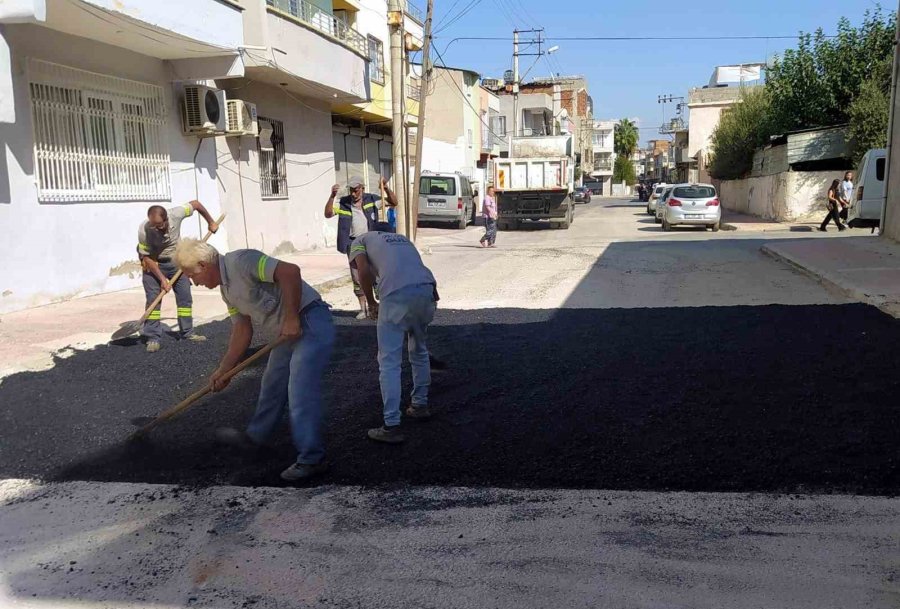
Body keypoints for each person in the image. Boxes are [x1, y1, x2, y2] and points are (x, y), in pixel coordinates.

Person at [173, 238, 336, 482]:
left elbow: (290, 272)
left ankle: (312, 458)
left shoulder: (241, 261)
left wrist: (292, 317)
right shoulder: (227, 292)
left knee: (299, 390)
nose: (192, 281)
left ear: (203, 265)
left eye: (190, 275)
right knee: (272, 384)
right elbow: (242, 329)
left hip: (309, 320)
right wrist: (225, 370)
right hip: (285, 333)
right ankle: (255, 439)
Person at [349, 223, 438, 444]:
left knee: (388, 361)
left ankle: (391, 425)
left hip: (397, 293)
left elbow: (363, 270)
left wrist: (371, 303)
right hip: (427, 289)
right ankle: (420, 404)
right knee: (419, 350)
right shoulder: (403, 240)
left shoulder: (359, 241)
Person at [137, 202, 218, 353]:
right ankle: (153, 337)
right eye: (153, 225)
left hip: (176, 262)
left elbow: (196, 204)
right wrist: (162, 279)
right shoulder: (144, 230)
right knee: (153, 301)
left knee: (185, 298)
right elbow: (146, 258)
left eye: (159, 225)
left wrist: (211, 222)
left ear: (167, 219)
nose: (156, 228)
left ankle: (187, 333)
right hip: (154, 264)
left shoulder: (176, 213)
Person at [324, 176, 397, 319]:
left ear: (362, 189)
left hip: (371, 242)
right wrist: (332, 196)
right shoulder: (344, 203)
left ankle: (381, 306)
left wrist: (386, 188)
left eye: (356, 190)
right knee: (357, 276)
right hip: (353, 243)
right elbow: (327, 214)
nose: (353, 194)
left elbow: (394, 202)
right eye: (351, 190)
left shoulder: (371, 200)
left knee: (376, 273)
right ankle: (364, 309)